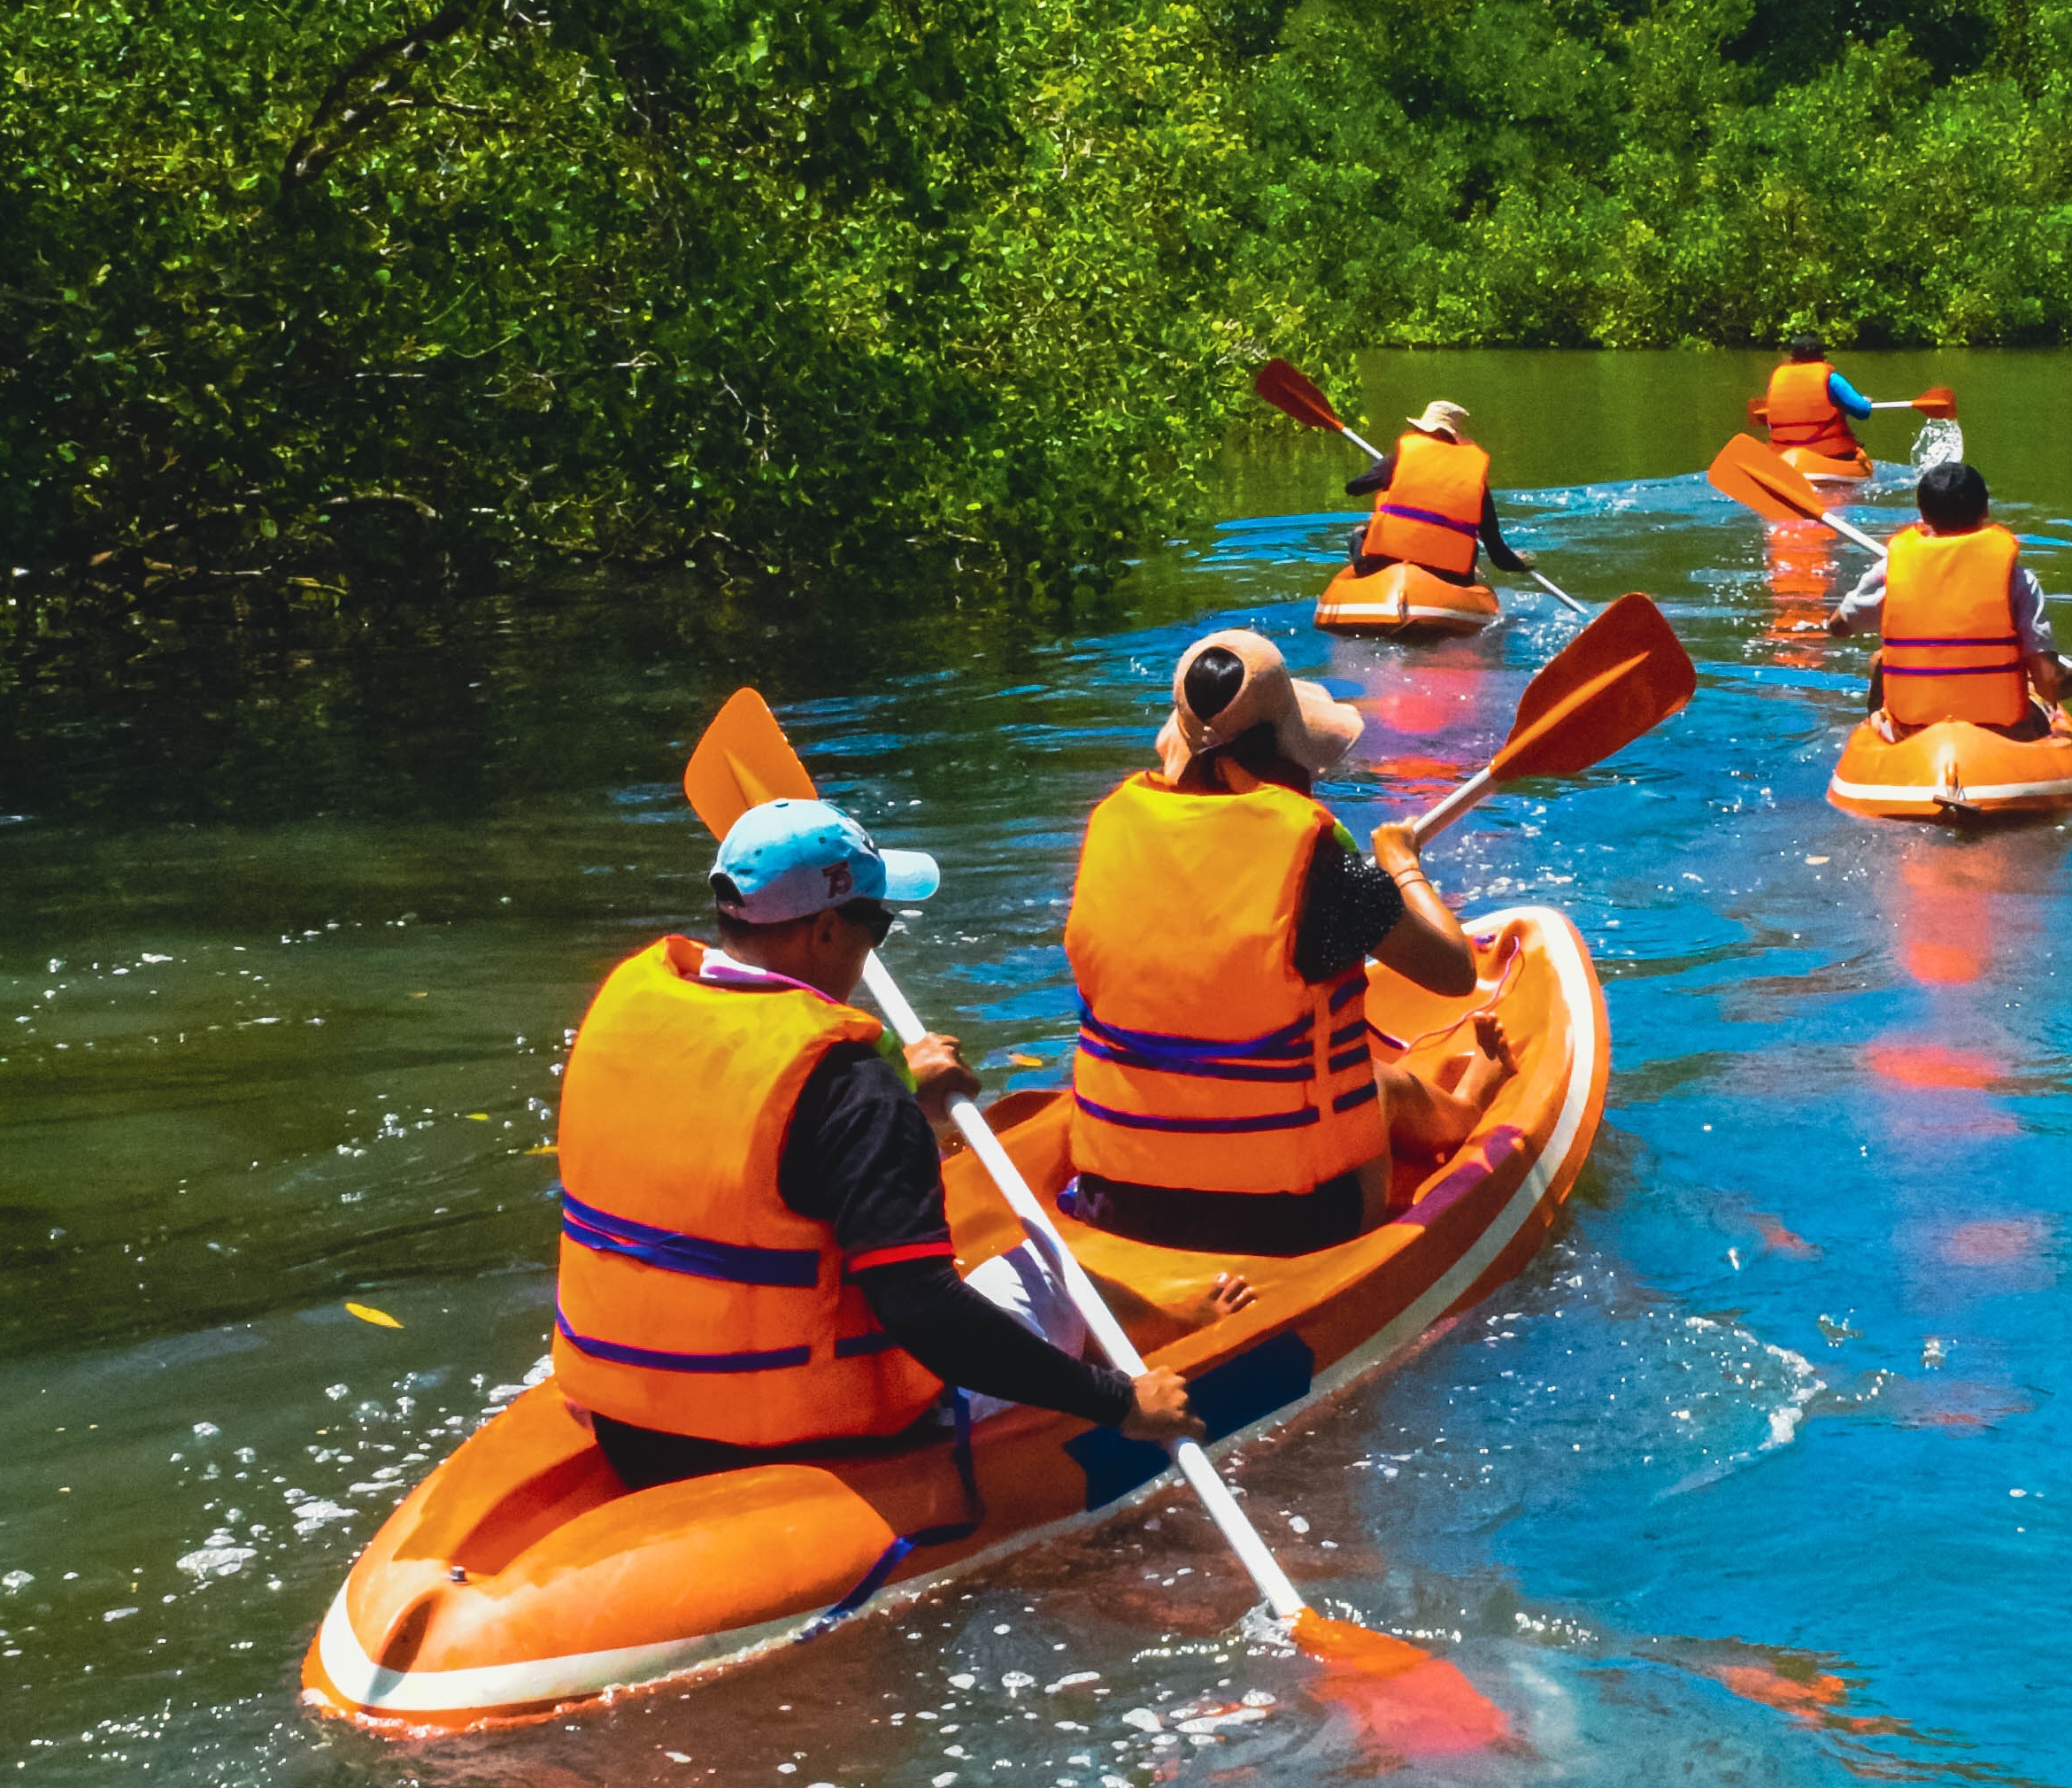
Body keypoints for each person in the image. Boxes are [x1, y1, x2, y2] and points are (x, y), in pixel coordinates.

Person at [553, 800, 1249, 1491]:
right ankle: (1176, 1335)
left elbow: (733, 1135)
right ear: (825, 930)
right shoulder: (851, 1091)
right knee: (1050, 1271)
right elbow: (926, 1312)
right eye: (874, 924)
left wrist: (890, 1091)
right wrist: (1117, 1403)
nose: (873, 945)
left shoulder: (639, 1012)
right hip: (790, 1435)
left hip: (628, 1419)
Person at [1062, 631, 1514, 1258]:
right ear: (1283, 748)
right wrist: (1401, 865)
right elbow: (1454, 970)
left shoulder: (1111, 833)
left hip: (1115, 1203)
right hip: (1292, 1221)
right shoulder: (1322, 869)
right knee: (1375, 1083)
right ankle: (1463, 1110)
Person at [1825, 458, 2072, 735]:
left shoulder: (1890, 569)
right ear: (1985, 509)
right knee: (2034, 689)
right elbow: (2049, 683)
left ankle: (1887, 749)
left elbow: (1838, 627)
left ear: (1923, 515)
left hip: (1914, 733)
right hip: (2002, 732)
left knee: (1882, 659)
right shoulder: (2018, 579)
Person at [1343, 399, 1530, 582]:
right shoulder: (1475, 478)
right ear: (1456, 439)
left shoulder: (1400, 459)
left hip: (1383, 563)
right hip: (1451, 576)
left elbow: (1354, 488)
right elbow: (1498, 556)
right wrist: (1522, 565)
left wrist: (1383, 470)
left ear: (1424, 430)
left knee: (1360, 531)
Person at [1762, 333, 1874, 463]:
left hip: (1785, 455)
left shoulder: (1776, 381)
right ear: (1822, 356)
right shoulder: (1832, 379)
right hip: (1830, 455)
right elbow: (1862, 411)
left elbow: (1770, 423)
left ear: (1793, 357)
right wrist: (1865, 402)